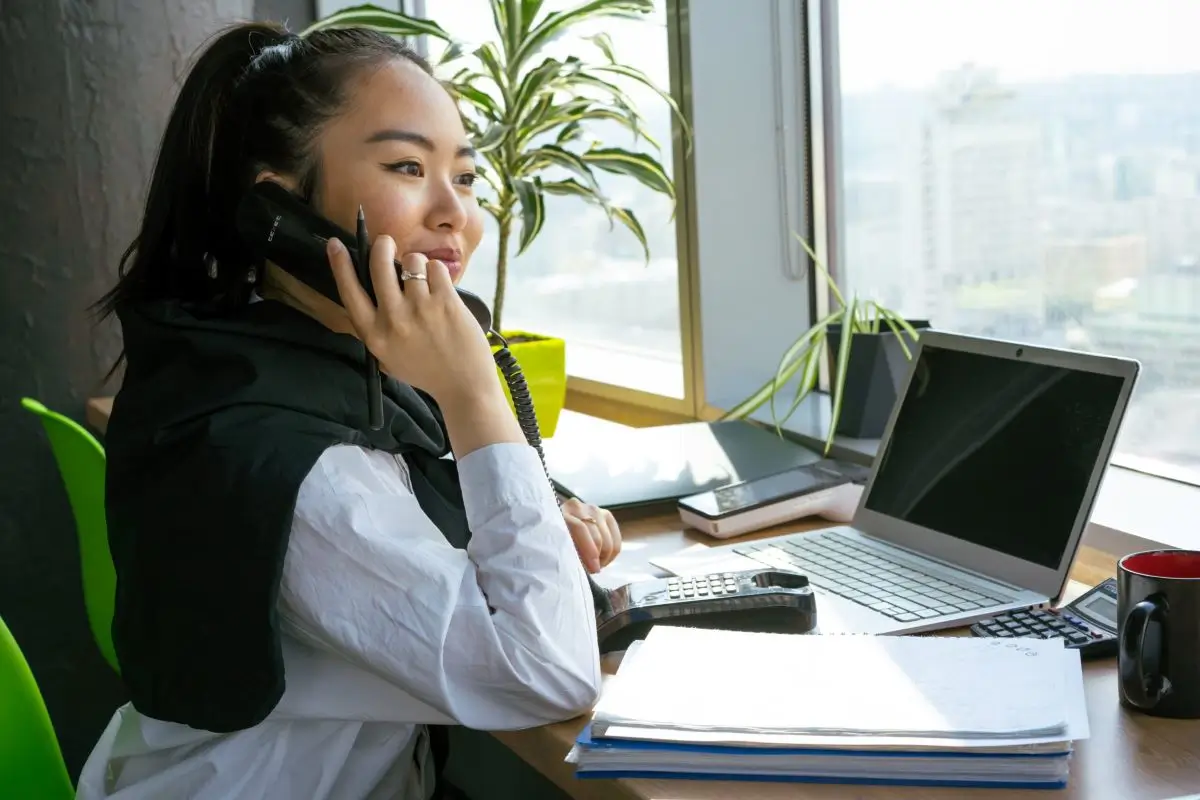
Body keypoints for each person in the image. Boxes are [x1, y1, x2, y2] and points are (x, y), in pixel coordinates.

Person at [77, 20, 621, 800]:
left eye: (464, 177)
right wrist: (473, 392)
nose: (454, 214)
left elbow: (415, 517)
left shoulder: (281, 361)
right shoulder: (300, 464)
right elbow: (547, 677)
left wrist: (525, 514)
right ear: (280, 210)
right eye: (407, 166)